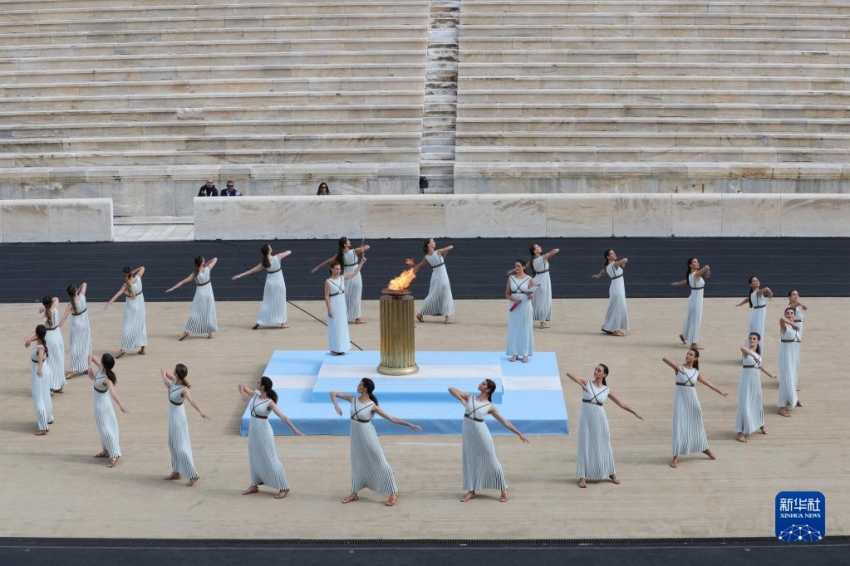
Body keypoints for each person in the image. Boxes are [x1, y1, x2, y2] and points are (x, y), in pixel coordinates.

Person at [330, 378, 422, 506]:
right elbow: (333, 393)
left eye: (360, 385)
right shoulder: (353, 399)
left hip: (368, 435)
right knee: (357, 462)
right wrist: (336, 405)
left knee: (380, 460)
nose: (357, 386)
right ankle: (354, 492)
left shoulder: (372, 406)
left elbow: (391, 418)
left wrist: (408, 424)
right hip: (356, 436)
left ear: (365, 388)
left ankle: (394, 491)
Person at [448, 380, 529, 503]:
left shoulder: (489, 406)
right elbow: (451, 389)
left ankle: (503, 488)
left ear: (488, 390)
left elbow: (504, 421)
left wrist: (519, 433)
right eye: (482, 383)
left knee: (492, 460)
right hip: (468, 432)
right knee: (469, 460)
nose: (480, 384)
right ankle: (471, 491)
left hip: (482, 433)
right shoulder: (470, 397)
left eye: (484, 384)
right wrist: (462, 400)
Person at [566, 365, 643, 488]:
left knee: (604, 445)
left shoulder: (606, 389)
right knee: (584, 443)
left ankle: (612, 473)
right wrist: (581, 384)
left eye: (599, 370)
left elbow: (620, 403)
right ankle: (582, 477)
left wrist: (634, 412)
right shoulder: (587, 383)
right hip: (586, 418)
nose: (595, 371)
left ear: (604, 374)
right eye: (595, 369)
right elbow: (569, 373)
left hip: (600, 419)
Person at [237, 377, 303, 499]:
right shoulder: (255, 395)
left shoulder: (269, 402)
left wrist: (294, 429)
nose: (256, 383)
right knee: (254, 456)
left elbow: (282, 416)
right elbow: (241, 385)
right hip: (253, 431)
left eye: (258, 382)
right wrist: (243, 395)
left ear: (263, 386)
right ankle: (254, 485)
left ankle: (284, 486)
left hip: (264, 432)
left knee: (270, 457)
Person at [663, 350, 728, 468]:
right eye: (687, 354)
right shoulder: (679, 367)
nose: (688, 355)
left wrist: (721, 391)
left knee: (697, 425)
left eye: (691, 354)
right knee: (679, 426)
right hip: (680, 402)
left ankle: (704, 447)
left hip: (693, 401)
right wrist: (678, 367)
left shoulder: (696, 372)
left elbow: (708, 383)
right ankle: (676, 456)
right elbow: (664, 358)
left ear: (696, 358)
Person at [161, 364, 210, 487]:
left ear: (177, 374)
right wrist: (165, 380)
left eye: (174, 371)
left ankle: (193, 474)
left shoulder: (183, 389)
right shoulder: (174, 381)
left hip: (178, 418)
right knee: (171, 443)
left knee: (180, 446)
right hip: (173, 416)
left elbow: (192, 401)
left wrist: (201, 412)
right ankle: (176, 471)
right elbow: (163, 369)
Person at [312, 237, 370, 324]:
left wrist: (318, 267)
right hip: (355, 274)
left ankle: (343, 315)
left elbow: (328, 262)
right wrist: (362, 247)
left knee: (345, 296)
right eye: (348, 241)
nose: (350, 241)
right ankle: (358, 318)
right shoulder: (354, 251)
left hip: (346, 274)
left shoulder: (339, 254)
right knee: (356, 296)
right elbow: (368, 247)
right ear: (345, 244)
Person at [232, 244, 291, 330]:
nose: (271, 247)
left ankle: (259, 321)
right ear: (269, 250)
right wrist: (283, 252)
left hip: (270, 283)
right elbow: (289, 252)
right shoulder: (277, 257)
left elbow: (252, 270)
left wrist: (240, 275)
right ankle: (283, 323)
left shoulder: (264, 262)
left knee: (266, 302)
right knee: (281, 301)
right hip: (279, 282)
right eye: (270, 247)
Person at [88, 353, 128, 468]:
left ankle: (114, 453)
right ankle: (106, 450)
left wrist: (120, 404)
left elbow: (113, 393)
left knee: (106, 428)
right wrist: (89, 368)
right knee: (102, 427)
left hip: (102, 404)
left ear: (105, 365)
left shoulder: (106, 379)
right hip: (98, 401)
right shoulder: (101, 367)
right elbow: (90, 355)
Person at [735, 333, 776, 443]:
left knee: (757, 402)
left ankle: (761, 424)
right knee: (744, 404)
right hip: (746, 382)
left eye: (754, 339)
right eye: (751, 338)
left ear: (758, 341)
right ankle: (740, 432)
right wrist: (753, 354)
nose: (752, 340)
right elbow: (742, 348)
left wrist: (771, 375)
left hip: (755, 382)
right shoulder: (746, 352)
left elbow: (762, 367)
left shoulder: (759, 356)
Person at [166, 256, 219, 341]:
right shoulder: (208, 268)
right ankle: (210, 333)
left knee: (195, 312)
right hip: (209, 293)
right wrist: (206, 264)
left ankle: (186, 331)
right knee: (209, 311)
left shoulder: (195, 273)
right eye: (203, 259)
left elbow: (183, 281)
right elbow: (215, 258)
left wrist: (174, 287)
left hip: (200, 294)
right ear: (202, 262)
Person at [325, 258, 367, 356]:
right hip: (333, 305)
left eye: (339, 269)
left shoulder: (342, 278)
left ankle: (342, 348)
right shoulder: (328, 282)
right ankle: (334, 349)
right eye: (336, 269)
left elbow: (354, 273)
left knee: (342, 327)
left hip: (342, 305)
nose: (338, 271)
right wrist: (329, 309)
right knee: (334, 328)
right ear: (331, 269)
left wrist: (361, 263)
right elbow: (326, 297)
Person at [106, 266, 147, 358]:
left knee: (127, 327)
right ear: (131, 272)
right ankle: (143, 349)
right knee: (141, 325)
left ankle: (123, 349)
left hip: (131, 306)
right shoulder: (138, 278)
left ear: (124, 275)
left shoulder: (126, 285)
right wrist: (133, 273)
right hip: (140, 304)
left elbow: (118, 294)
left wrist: (110, 301)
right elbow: (142, 268)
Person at [413, 238, 455, 324]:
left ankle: (420, 313)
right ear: (429, 245)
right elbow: (451, 246)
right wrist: (445, 250)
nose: (434, 243)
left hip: (435, 276)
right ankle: (447, 318)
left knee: (433, 295)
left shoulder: (427, 257)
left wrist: (413, 269)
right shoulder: (438, 252)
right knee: (446, 294)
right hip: (442, 276)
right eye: (432, 241)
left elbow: (419, 266)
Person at [672, 257, 711, 350]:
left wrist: (677, 283)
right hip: (696, 299)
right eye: (695, 262)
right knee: (696, 320)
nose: (697, 263)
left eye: (697, 262)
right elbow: (706, 266)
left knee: (690, 319)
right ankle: (694, 343)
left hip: (693, 298)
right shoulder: (695, 274)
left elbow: (684, 282)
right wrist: (707, 269)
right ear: (690, 265)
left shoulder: (691, 275)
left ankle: (683, 335)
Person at [591, 249, 629, 336]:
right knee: (618, 308)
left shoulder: (609, 266)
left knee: (613, 308)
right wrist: (621, 263)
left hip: (616, 287)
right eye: (612, 253)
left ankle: (607, 327)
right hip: (618, 288)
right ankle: (615, 329)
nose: (615, 254)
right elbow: (625, 259)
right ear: (608, 256)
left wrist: (598, 275)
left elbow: (603, 271)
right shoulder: (614, 264)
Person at [59, 283, 91, 379]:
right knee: (85, 344)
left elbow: (64, 317)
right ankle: (85, 367)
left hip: (76, 326)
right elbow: (85, 284)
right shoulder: (82, 296)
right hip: (85, 324)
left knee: (74, 347)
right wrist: (78, 290)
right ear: (76, 290)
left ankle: (73, 370)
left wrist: (58, 328)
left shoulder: (70, 304)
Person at [24, 325, 52, 435]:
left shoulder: (40, 348)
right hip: (45, 371)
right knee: (45, 395)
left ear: (37, 334)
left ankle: (43, 426)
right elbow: (33, 338)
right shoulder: (41, 342)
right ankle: (48, 417)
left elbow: (40, 357)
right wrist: (28, 340)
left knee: (38, 397)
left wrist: (39, 369)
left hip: (39, 372)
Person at [505, 259, 535, 363]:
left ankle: (525, 354)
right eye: (515, 266)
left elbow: (533, 294)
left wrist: (529, 295)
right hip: (514, 306)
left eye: (518, 266)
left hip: (525, 306)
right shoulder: (511, 278)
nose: (516, 268)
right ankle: (514, 353)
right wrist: (514, 299)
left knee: (525, 328)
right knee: (514, 329)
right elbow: (507, 294)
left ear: (523, 267)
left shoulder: (529, 279)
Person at [736, 276, 773, 358]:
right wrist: (770, 293)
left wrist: (740, 304)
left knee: (754, 334)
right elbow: (766, 288)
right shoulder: (757, 293)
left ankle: (751, 353)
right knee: (758, 334)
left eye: (757, 280)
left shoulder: (753, 293)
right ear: (751, 284)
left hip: (756, 315)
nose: (757, 281)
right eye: (754, 281)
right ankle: (755, 354)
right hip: (758, 316)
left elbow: (747, 299)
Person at [777, 307, 802, 417]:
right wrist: (790, 323)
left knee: (793, 378)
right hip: (786, 357)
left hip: (794, 357)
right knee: (786, 379)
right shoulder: (785, 327)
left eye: (792, 313)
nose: (790, 315)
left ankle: (793, 398)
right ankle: (782, 406)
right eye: (788, 313)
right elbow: (781, 319)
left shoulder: (796, 329)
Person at [39, 295, 66, 393]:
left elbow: (40, 328)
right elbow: (56, 298)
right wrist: (45, 307)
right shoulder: (55, 308)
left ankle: (51, 386)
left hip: (49, 337)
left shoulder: (46, 315)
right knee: (59, 360)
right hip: (58, 336)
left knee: (49, 362)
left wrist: (29, 338)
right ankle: (59, 385)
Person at [527, 244, 559, 329]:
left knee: (537, 300)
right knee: (544, 300)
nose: (540, 247)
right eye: (538, 247)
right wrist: (547, 254)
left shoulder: (532, 261)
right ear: (535, 251)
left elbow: (523, 268)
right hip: (543, 280)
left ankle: (538, 319)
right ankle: (542, 322)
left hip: (536, 279)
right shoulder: (543, 258)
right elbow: (556, 250)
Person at [787, 289, 807, 379]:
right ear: (790, 297)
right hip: (794, 332)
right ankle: (791, 379)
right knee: (793, 356)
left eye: (797, 294)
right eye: (793, 294)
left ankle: (793, 379)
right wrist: (801, 304)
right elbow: (793, 306)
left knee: (796, 355)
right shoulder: (791, 307)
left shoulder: (796, 307)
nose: (796, 296)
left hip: (799, 333)